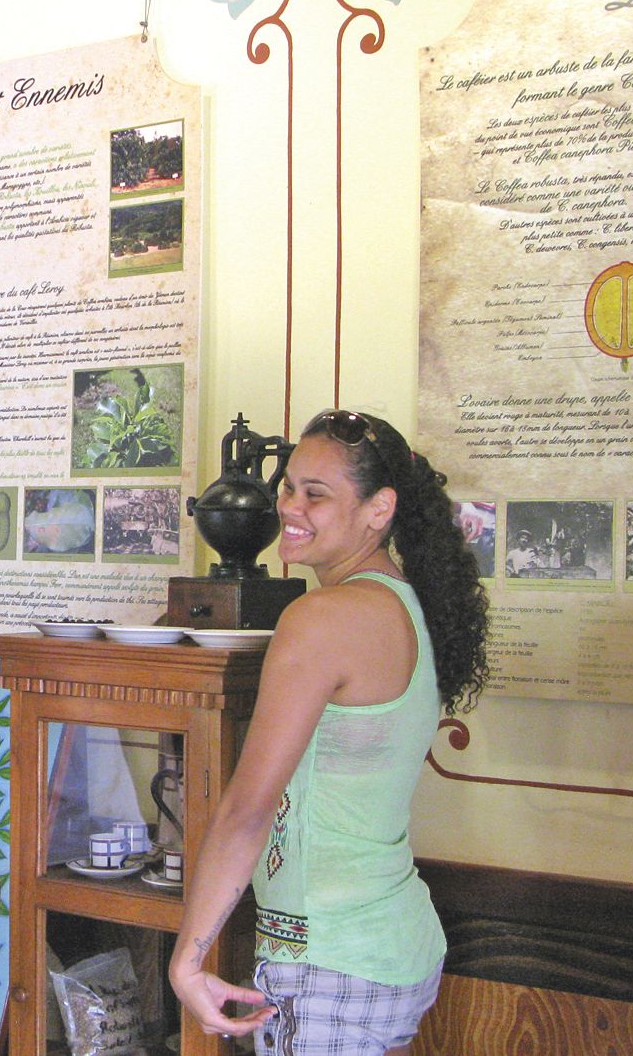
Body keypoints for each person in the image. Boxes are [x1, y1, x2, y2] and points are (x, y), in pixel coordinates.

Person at [169, 409, 489, 1054]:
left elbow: (247, 809)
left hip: (332, 961)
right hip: (388, 943)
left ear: (379, 510)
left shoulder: (324, 616)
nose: (290, 507)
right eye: (288, 486)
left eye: (316, 494)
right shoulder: (403, 601)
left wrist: (188, 960)